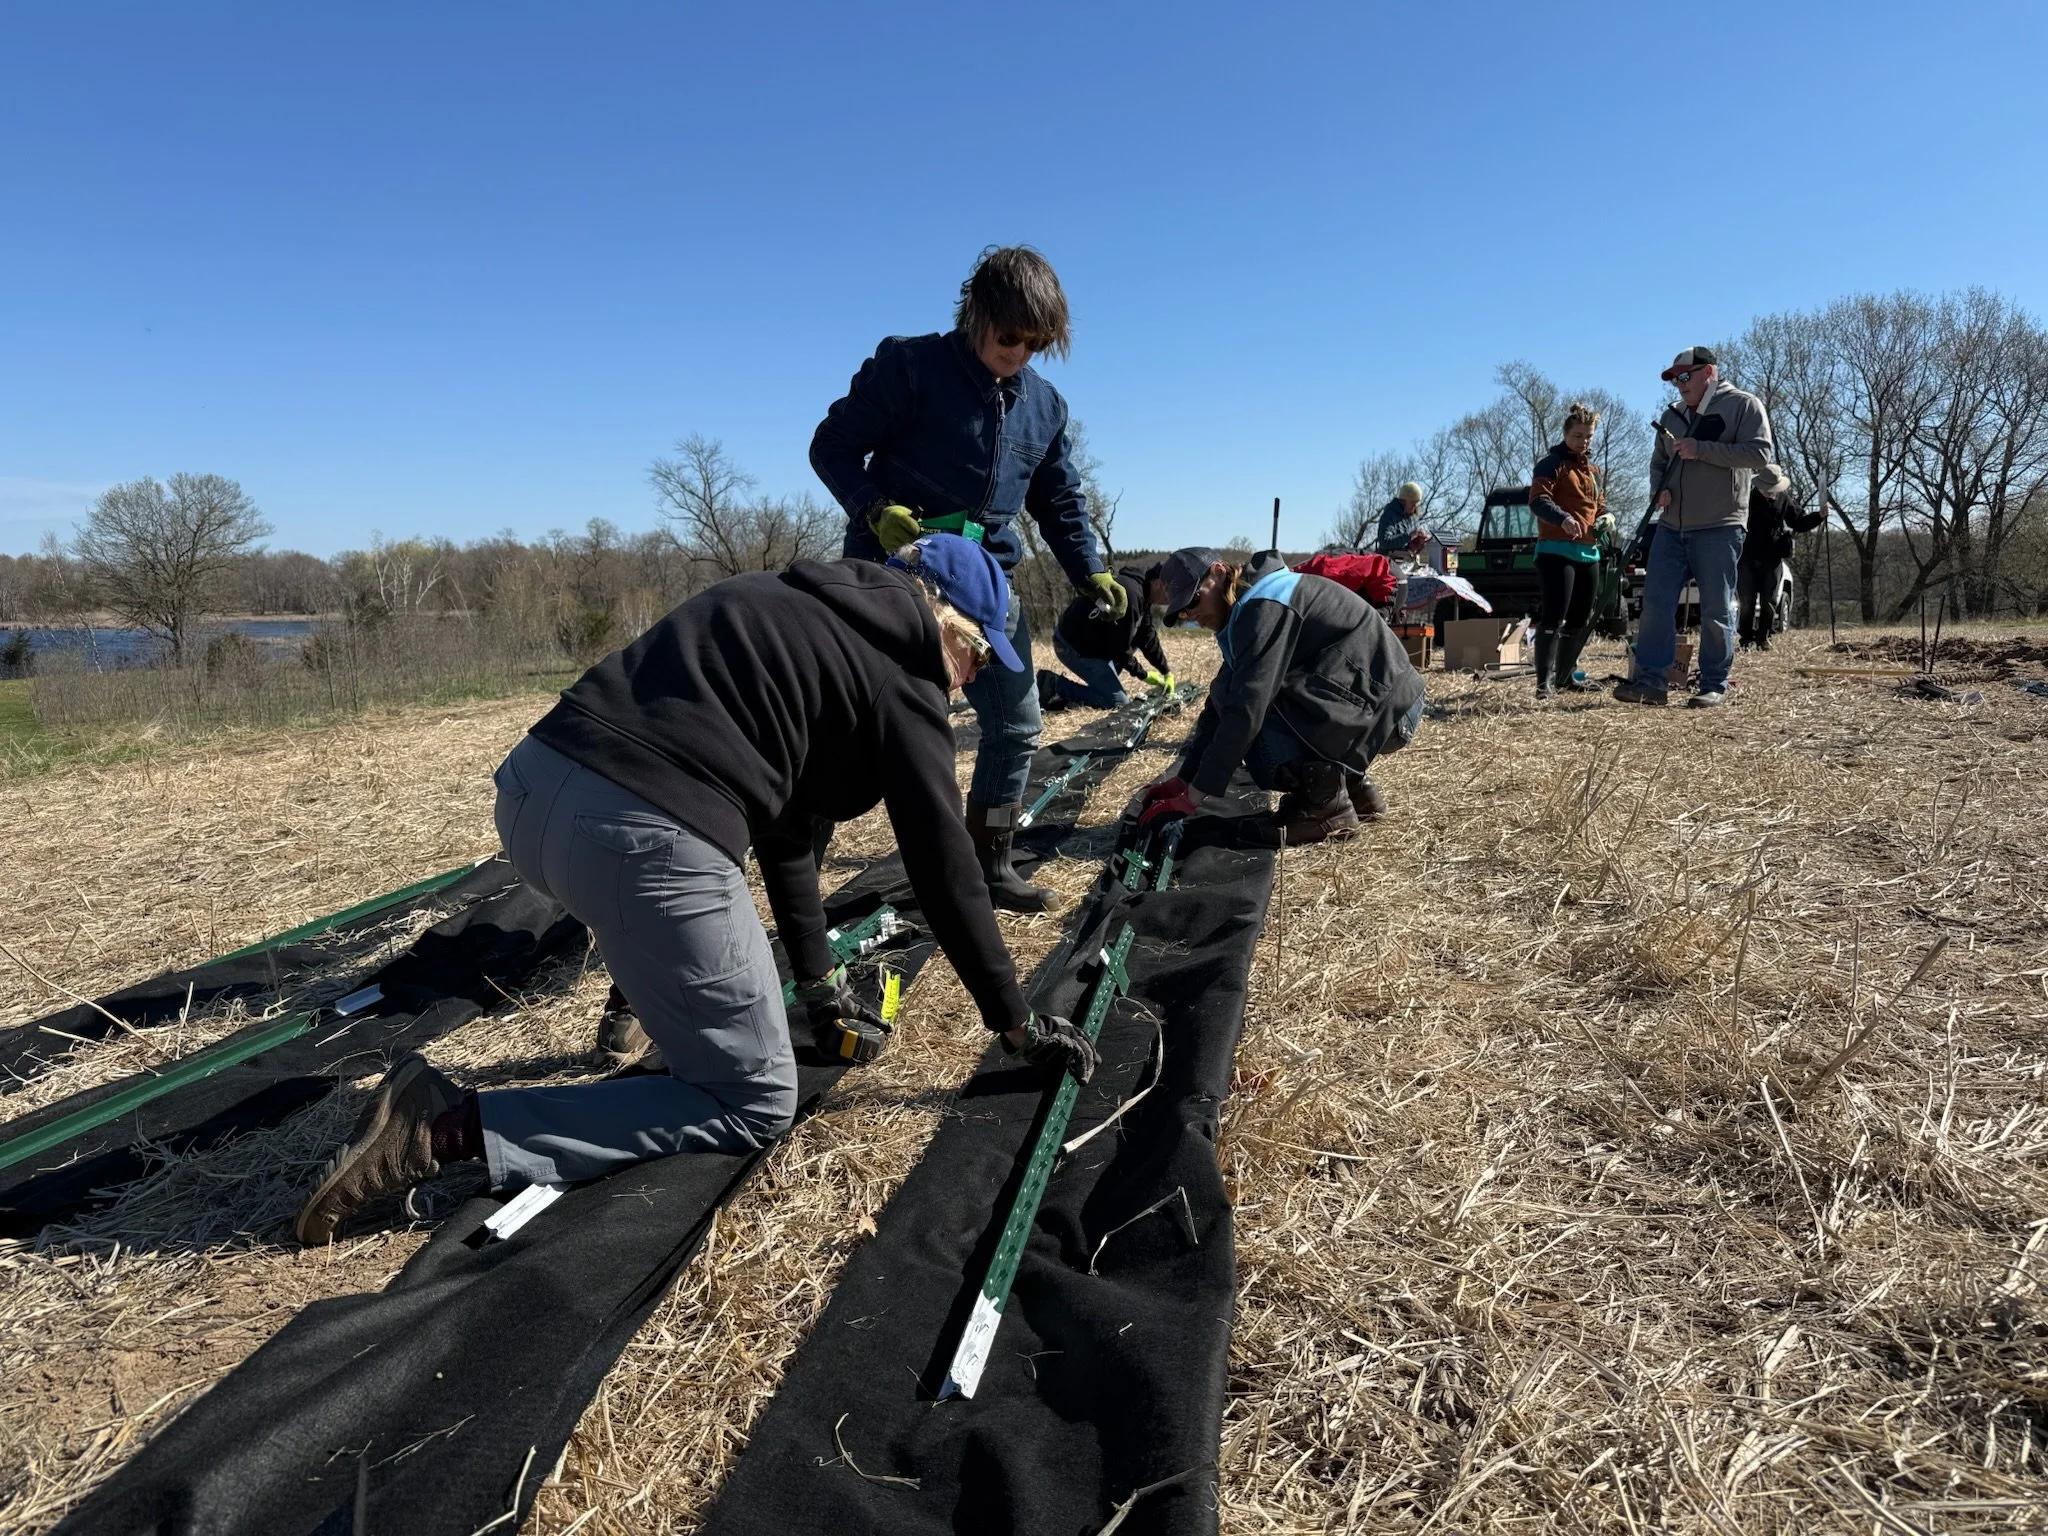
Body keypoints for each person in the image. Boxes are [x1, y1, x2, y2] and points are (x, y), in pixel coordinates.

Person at [293, 535, 1100, 1247]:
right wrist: (1017, 1023)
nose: (967, 682)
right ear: (948, 623)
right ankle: (439, 1127)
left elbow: (786, 830)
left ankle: (646, 1009)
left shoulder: (781, 601)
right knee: (753, 1098)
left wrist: (817, 983)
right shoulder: (904, 671)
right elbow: (945, 865)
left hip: (532, 796)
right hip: (631, 836)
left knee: (676, 938)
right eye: (978, 659)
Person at [810, 246, 1120, 912]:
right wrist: (871, 506)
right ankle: (799, 883)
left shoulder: (1045, 406)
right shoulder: (912, 367)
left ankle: (991, 863)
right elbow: (830, 445)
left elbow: (1059, 500)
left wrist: (1089, 571)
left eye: (1037, 344)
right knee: (852, 731)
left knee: (1016, 726)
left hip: (988, 582)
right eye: (1010, 337)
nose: (1020, 353)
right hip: (894, 574)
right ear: (976, 312)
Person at [1136, 548, 1425, 844]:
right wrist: (1183, 781)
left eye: (1194, 600)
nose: (1192, 615)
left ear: (1219, 572)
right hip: (1381, 706)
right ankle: (1350, 787)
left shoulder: (1265, 606)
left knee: (1255, 727)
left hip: (1391, 711)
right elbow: (1218, 704)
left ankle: (1324, 807)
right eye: (1183, 611)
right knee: (1231, 696)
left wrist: (1194, 798)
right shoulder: (1251, 607)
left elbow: (1247, 708)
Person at [1616, 347, 1773, 708]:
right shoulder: (1670, 416)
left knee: (1717, 608)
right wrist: (1659, 490)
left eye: (1685, 376)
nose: (1679, 385)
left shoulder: (1743, 406)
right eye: (1674, 379)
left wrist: (1701, 449)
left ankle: (1714, 684)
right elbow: (1658, 463)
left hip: (1720, 525)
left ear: (1709, 373)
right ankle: (1652, 681)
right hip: (1671, 527)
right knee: (1655, 602)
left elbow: (1759, 454)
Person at [1529, 402, 1613, 698]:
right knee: (1554, 614)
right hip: (1555, 549)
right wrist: (1562, 518)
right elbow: (1538, 500)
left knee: (1579, 617)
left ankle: (1565, 676)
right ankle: (1543, 684)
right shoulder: (1551, 464)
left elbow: (1597, 505)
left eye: (1588, 436)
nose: (1583, 441)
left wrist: (1606, 517)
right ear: (1566, 434)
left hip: (1588, 552)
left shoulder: (1593, 471)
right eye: (1578, 436)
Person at [1038, 560, 1175, 712]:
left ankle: (1094, 690)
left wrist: (1165, 671)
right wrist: (1144, 674)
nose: (1169, 602)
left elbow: (1147, 635)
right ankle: (1054, 685)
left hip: (1095, 646)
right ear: (1159, 584)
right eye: (1170, 596)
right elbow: (1120, 649)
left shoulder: (1143, 594)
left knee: (1110, 683)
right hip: (1072, 646)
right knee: (1118, 702)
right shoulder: (1132, 595)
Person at [1739, 465, 1825, 649]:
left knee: (1770, 600)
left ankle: (1764, 638)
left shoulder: (1784, 499)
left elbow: (1798, 522)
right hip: (1747, 556)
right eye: (1767, 489)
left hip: (1772, 558)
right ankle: (1745, 639)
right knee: (1747, 600)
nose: (1771, 493)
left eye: (1774, 489)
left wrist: (1818, 516)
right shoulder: (1745, 497)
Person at [1373, 481, 1430, 559]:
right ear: (1404, 500)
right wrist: (1409, 536)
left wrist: (1418, 542)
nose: (1415, 506)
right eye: (1413, 503)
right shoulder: (1389, 515)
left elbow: (1407, 545)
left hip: (1406, 561)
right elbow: (1384, 542)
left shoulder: (1412, 518)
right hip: (1388, 562)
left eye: (1416, 503)